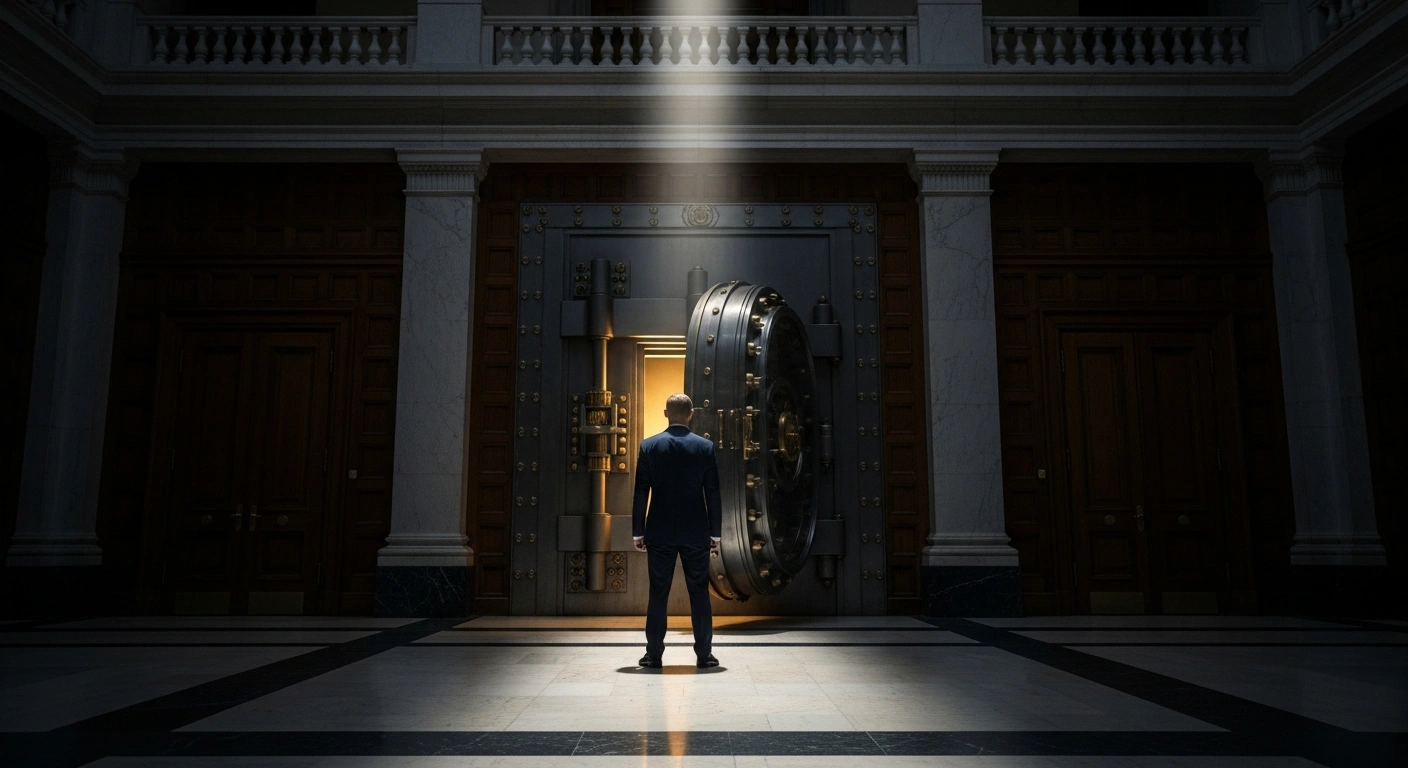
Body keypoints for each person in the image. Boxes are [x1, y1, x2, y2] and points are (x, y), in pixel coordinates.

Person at [631, 392, 722, 669]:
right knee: (699, 593)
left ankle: (653, 655)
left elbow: (640, 493)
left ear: (665, 414)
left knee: (658, 593)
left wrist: (638, 531)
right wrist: (715, 534)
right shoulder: (704, 447)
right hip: (696, 532)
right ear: (691, 414)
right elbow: (713, 494)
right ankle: (704, 656)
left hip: (659, 532)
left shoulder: (649, 446)